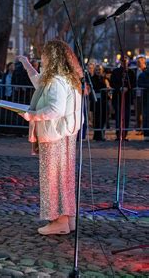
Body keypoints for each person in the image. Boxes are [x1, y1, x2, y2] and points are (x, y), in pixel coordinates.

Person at [17, 39, 82, 236]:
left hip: (55, 135)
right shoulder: (66, 78)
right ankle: (68, 219)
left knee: (52, 179)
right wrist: (27, 65)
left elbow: (55, 108)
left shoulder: (55, 80)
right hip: (65, 135)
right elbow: (39, 82)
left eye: (45, 55)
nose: (42, 58)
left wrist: (32, 115)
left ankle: (58, 220)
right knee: (65, 179)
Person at [110, 57, 136, 141]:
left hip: (127, 97)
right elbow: (112, 82)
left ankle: (124, 134)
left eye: (126, 61)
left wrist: (127, 88)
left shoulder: (131, 72)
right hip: (118, 96)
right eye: (123, 61)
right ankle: (118, 135)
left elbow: (133, 83)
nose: (124, 63)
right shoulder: (115, 71)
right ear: (121, 62)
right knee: (118, 116)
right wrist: (119, 88)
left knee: (126, 116)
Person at [90, 64, 108, 141]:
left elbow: (107, 87)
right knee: (96, 119)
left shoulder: (105, 79)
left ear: (102, 70)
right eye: (96, 70)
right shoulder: (92, 78)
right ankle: (97, 136)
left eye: (99, 70)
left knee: (103, 118)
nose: (98, 71)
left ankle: (102, 135)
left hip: (104, 101)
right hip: (96, 102)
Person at [136, 55, 149, 141]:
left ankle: (146, 133)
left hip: (145, 96)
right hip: (143, 97)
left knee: (145, 115)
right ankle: (145, 133)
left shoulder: (144, 74)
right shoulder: (141, 74)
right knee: (144, 115)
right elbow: (139, 84)